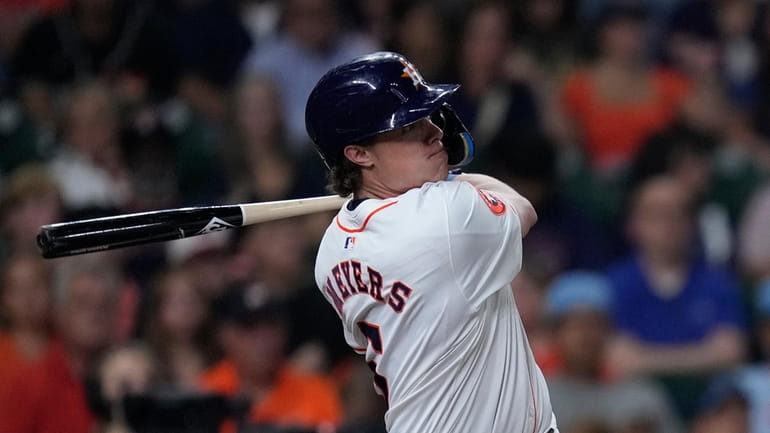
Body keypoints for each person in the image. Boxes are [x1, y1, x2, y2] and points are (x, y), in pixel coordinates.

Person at [305, 51, 556, 433]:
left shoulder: (331, 250)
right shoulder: (444, 216)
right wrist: (453, 176)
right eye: (407, 127)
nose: (435, 132)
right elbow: (522, 208)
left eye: (426, 117)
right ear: (358, 153)